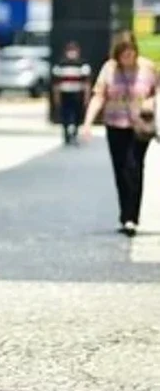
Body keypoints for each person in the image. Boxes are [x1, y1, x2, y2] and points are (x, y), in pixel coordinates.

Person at [82, 30, 157, 237]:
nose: (127, 58)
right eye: (124, 54)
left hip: (140, 126)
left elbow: (157, 91)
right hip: (115, 125)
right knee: (121, 170)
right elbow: (99, 96)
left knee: (134, 167)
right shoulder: (109, 69)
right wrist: (87, 123)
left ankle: (132, 217)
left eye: (130, 53)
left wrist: (151, 102)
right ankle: (125, 215)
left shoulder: (148, 68)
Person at [52, 41, 91, 145]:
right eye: (70, 50)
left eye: (74, 51)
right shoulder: (60, 64)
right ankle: (66, 132)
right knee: (65, 114)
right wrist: (56, 96)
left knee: (77, 114)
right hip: (64, 93)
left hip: (77, 93)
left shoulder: (82, 64)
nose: (72, 53)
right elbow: (56, 83)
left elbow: (86, 82)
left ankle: (75, 132)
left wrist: (86, 96)